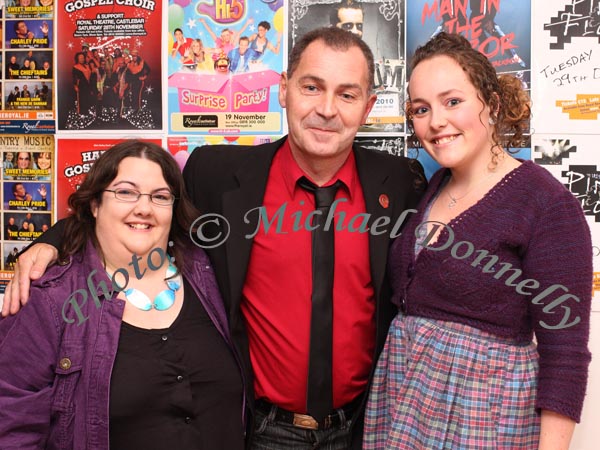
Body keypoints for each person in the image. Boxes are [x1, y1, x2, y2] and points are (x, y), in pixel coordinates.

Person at [4, 27, 425, 449]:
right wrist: (53, 241)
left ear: (368, 107)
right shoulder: (217, 175)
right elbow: (140, 212)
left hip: (365, 429)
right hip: (259, 431)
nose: (327, 109)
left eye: (347, 95)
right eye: (312, 87)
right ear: (283, 90)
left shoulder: (400, 183)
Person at [363, 32, 592, 449]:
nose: (436, 121)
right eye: (421, 108)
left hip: (484, 414)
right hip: (404, 402)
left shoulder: (545, 202)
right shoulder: (429, 188)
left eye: (453, 101)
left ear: (493, 103)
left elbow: (567, 354)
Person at [0, 140, 245, 450]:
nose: (143, 208)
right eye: (125, 192)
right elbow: (11, 424)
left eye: (159, 196)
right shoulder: (50, 299)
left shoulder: (209, 272)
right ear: (95, 204)